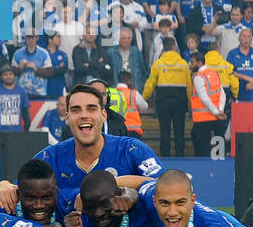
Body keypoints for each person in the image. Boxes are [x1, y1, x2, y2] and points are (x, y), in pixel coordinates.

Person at [32, 83, 163, 217]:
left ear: (104, 115)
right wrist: (8, 187)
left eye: (91, 109)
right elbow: (22, 189)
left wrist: (111, 184)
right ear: (67, 118)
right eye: (76, 110)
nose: (84, 115)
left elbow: (165, 186)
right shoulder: (49, 157)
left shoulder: (132, 150)